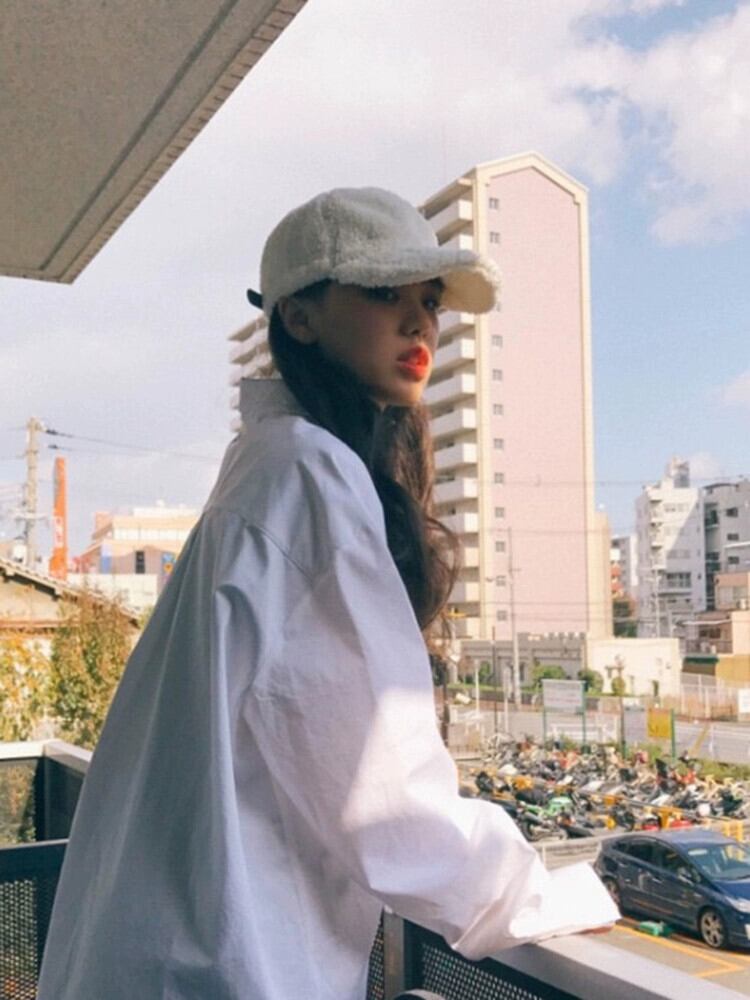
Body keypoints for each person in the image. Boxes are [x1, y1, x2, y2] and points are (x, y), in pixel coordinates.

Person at [37, 187, 617, 1000]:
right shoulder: (307, 473)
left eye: (430, 301)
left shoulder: (266, 464)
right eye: (384, 293)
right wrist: (540, 894)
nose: (420, 324)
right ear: (298, 316)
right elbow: (383, 795)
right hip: (223, 972)